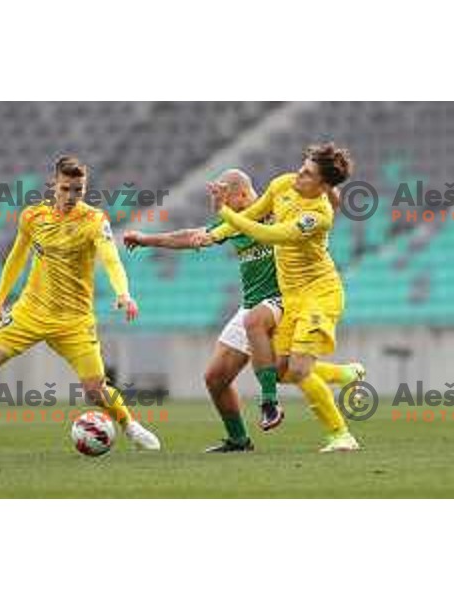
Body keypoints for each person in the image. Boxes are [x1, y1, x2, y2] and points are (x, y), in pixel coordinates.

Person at [0, 155, 160, 453]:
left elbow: (110, 257)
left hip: (74, 320)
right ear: (54, 184)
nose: (71, 196)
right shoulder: (32, 217)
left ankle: (131, 426)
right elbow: (17, 257)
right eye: (66, 188)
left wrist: (123, 293)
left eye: (78, 190)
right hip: (30, 311)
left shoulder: (94, 220)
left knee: (95, 390)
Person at [125, 169, 363, 452]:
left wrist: (331, 186)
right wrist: (145, 239)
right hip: (253, 302)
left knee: (258, 328)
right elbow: (192, 237)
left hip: (283, 298)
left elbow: (326, 210)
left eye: (225, 198)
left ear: (240, 194)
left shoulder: (278, 206)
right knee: (217, 378)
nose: (222, 205)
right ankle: (239, 439)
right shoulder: (236, 221)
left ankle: (271, 404)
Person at [207, 143, 361, 452]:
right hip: (292, 298)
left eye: (307, 174)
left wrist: (223, 211)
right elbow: (252, 214)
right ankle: (342, 373)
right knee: (280, 371)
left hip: (320, 294)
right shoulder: (282, 185)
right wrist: (213, 234)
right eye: (302, 167)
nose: (298, 175)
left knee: (301, 369)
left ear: (323, 186)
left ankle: (341, 435)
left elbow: (268, 235)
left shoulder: (318, 215)